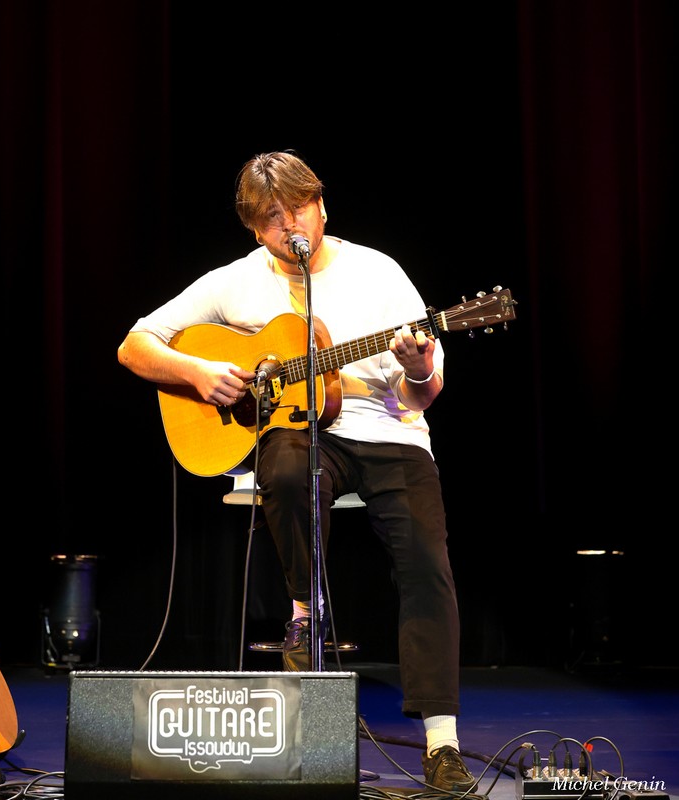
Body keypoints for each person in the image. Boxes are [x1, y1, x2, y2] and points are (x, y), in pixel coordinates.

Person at [117, 150, 477, 794]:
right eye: (272, 220)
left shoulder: (378, 271)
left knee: (427, 559)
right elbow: (135, 343)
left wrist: (418, 365)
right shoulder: (234, 281)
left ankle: (441, 740)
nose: (291, 229)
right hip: (303, 432)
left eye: (297, 211)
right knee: (284, 470)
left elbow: (423, 393)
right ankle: (306, 610)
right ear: (255, 230)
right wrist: (200, 372)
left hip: (388, 429)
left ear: (320, 204)